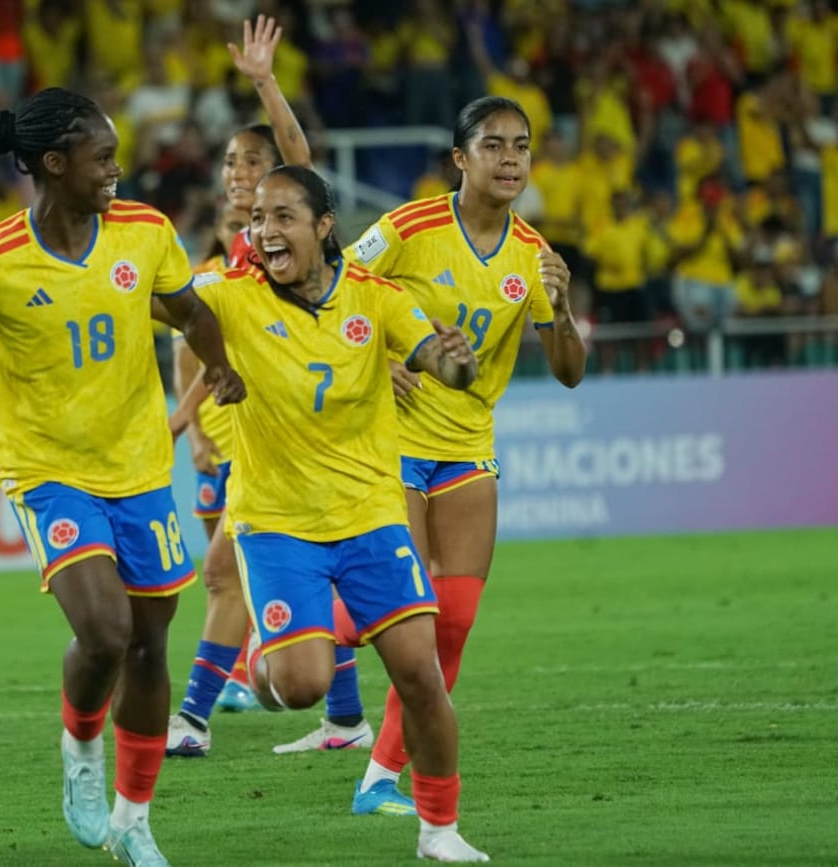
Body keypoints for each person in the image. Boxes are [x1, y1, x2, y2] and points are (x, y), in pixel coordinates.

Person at [0, 87, 245, 867]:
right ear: (55, 164)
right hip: (48, 472)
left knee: (150, 644)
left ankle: (133, 818)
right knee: (105, 630)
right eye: (103, 158)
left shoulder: (145, 233)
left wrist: (219, 366)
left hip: (142, 467)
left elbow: (188, 311)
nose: (118, 170)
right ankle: (81, 752)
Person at [281, 96, 587, 815]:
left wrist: (564, 309)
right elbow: (329, 289)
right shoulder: (409, 228)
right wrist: (375, 353)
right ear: (460, 158)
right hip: (392, 442)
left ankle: (379, 778)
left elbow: (570, 371)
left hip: (468, 448)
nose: (510, 159)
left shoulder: (533, 256)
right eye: (493, 145)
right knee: (406, 609)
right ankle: (306, 619)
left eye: (522, 146)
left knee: (452, 622)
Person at [195, 164, 490, 863]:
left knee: (421, 672)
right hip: (275, 523)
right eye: (257, 219)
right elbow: (169, 301)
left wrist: (458, 364)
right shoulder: (232, 296)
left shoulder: (376, 297)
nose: (264, 231)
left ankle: (439, 829)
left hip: (369, 516)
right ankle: (265, 669)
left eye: (282, 217)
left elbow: (442, 365)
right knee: (301, 686)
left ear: (325, 227)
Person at [168, 14, 374, 757]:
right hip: (236, 437)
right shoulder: (226, 251)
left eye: (248, 164)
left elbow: (299, 155)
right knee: (230, 576)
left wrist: (264, 82)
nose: (235, 176)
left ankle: (192, 718)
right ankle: (346, 719)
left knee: (223, 572)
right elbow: (199, 341)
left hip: (288, 439)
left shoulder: (276, 247)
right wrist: (189, 420)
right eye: (229, 165)